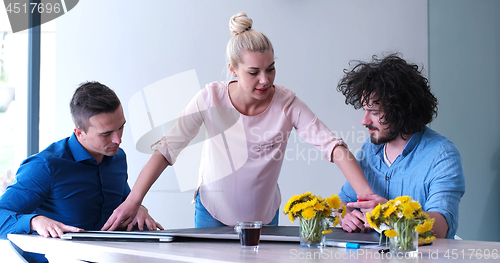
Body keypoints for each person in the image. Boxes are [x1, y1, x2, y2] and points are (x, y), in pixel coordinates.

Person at [102, 12, 374, 231]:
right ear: (233, 69)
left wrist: (366, 197)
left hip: (264, 219)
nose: (265, 80)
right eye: (254, 72)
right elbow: (166, 149)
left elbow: (333, 147)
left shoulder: (287, 104)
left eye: (271, 69)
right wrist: (133, 200)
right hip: (212, 213)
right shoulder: (210, 98)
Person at [0, 81, 163, 262]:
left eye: (121, 127)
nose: (118, 139)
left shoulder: (118, 158)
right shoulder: (46, 166)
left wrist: (138, 208)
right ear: (79, 133)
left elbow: (124, 201)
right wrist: (34, 221)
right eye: (106, 133)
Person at [336, 53, 466, 239]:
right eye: (365, 111)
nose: (364, 121)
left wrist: (390, 213)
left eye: (373, 112)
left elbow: (441, 226)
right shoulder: (370, 149)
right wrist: (347, 216)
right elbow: (344, 201)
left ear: (400, 110)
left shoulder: (442, 155)